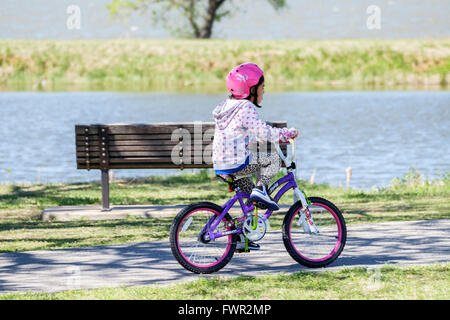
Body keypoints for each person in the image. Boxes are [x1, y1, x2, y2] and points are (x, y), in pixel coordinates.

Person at [212, 62, 298, 251]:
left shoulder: (226, 106)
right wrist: (286, 134)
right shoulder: (246, 108)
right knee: (272, 159)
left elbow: (240, 132)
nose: (264, 91)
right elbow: (264, 133)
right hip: (237, 163)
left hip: (222, 163)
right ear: (250, 89)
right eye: (262, 87)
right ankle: (261, 190)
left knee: (249, 203)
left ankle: (242, 236)